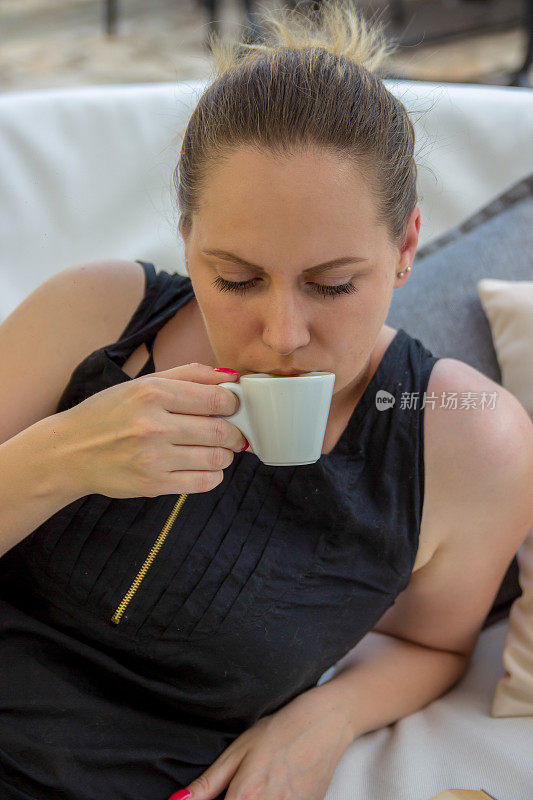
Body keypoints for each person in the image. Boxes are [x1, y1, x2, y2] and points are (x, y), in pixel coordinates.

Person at [1, 1, 532, 799]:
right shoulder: (94, 317)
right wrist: (54, 461)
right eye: (236, 278)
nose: (281, 333)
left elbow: (431, 647)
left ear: (406, 248)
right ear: (186, 235)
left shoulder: (467, 442)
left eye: (331, 284)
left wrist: (329, 715)